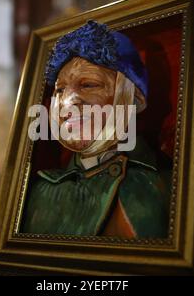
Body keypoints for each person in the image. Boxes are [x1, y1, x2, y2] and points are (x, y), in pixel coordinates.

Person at [22, 21, 171, 238]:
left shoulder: (169, 188)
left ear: (130, 98)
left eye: (88, 85)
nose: (67, 102)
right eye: (60, 90)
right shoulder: (40, 191)